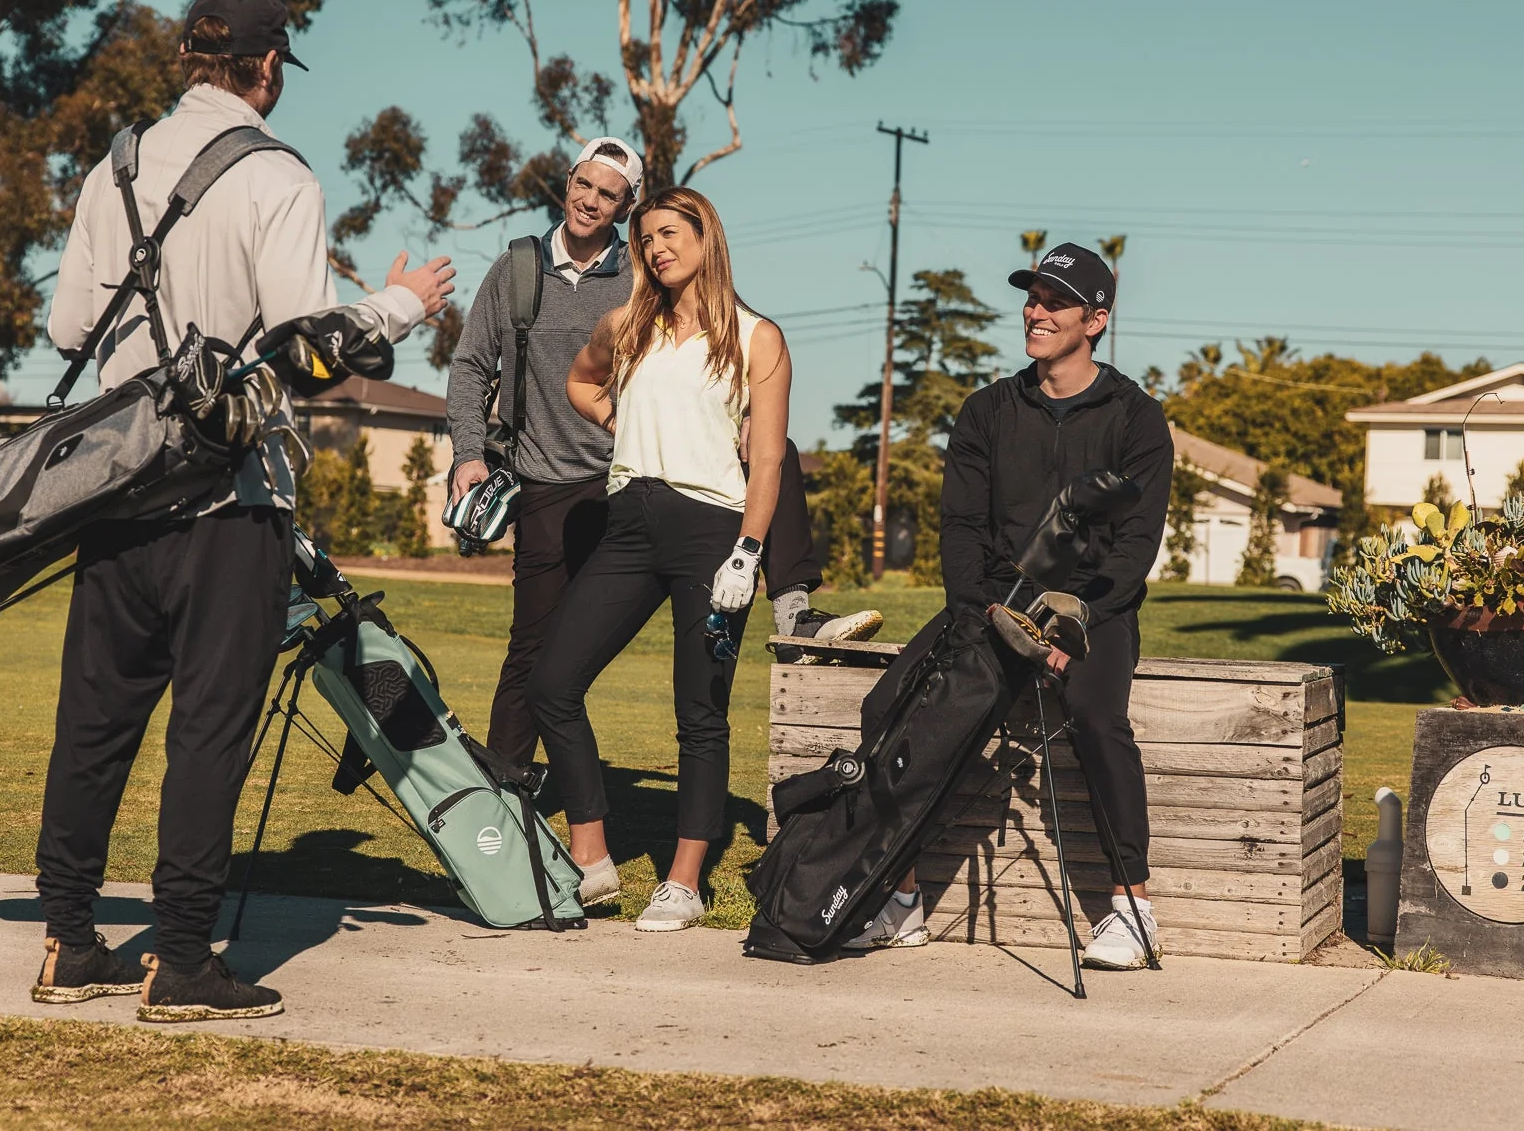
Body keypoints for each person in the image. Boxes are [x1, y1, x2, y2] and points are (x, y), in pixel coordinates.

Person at [36, 0, 455, 1020]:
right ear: (268, 67)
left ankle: (68, 942)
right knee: (208, 731)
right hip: (229, 501)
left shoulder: (115, 163)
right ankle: (181, 962)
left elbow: (64, 327)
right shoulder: (278, 175)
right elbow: (304, 350)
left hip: (116, 489)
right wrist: (399, 302)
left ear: (189, 57)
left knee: (93, 724)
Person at [444, 139, 878, 787]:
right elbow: (473, 364)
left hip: (638, 481)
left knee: (774, 449)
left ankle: (792, 604)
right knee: (533, 645)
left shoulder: (646, 268)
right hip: (549, 482)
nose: (591, 200)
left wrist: (748, 408)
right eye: (584, 185)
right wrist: (469, 451)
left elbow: (726, 329)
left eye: (609, 195)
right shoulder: (517, 270)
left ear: (624, 210)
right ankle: (504, 787)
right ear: (566, 183)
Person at [844, 242, 1172, 967]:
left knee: (1095, 716)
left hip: (1094, 613)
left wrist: (1071, 621)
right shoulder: (988, 409)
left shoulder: (1135, 419)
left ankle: (1133, 909)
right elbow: (959, 531)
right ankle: (900, 901)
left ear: (1097, 319)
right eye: (1032, 297)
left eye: (1054, 302)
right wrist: (988, 614)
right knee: (890, 710)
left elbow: (1134, 546)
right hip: (995, 606)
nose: (1035, 311)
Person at [527, 187, 788, 933]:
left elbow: (766, 462)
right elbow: (580, 381)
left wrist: (748, 553)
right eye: (646, 240)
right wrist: (623, 416)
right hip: (629, 521)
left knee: (698, 712)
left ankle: (682, 881)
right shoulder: (627, 325)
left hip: (712, 531)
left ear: (707, 236)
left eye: (670, 234)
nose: (656, 249)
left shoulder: (755, 336)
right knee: (553, 681)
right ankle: (591, 857)